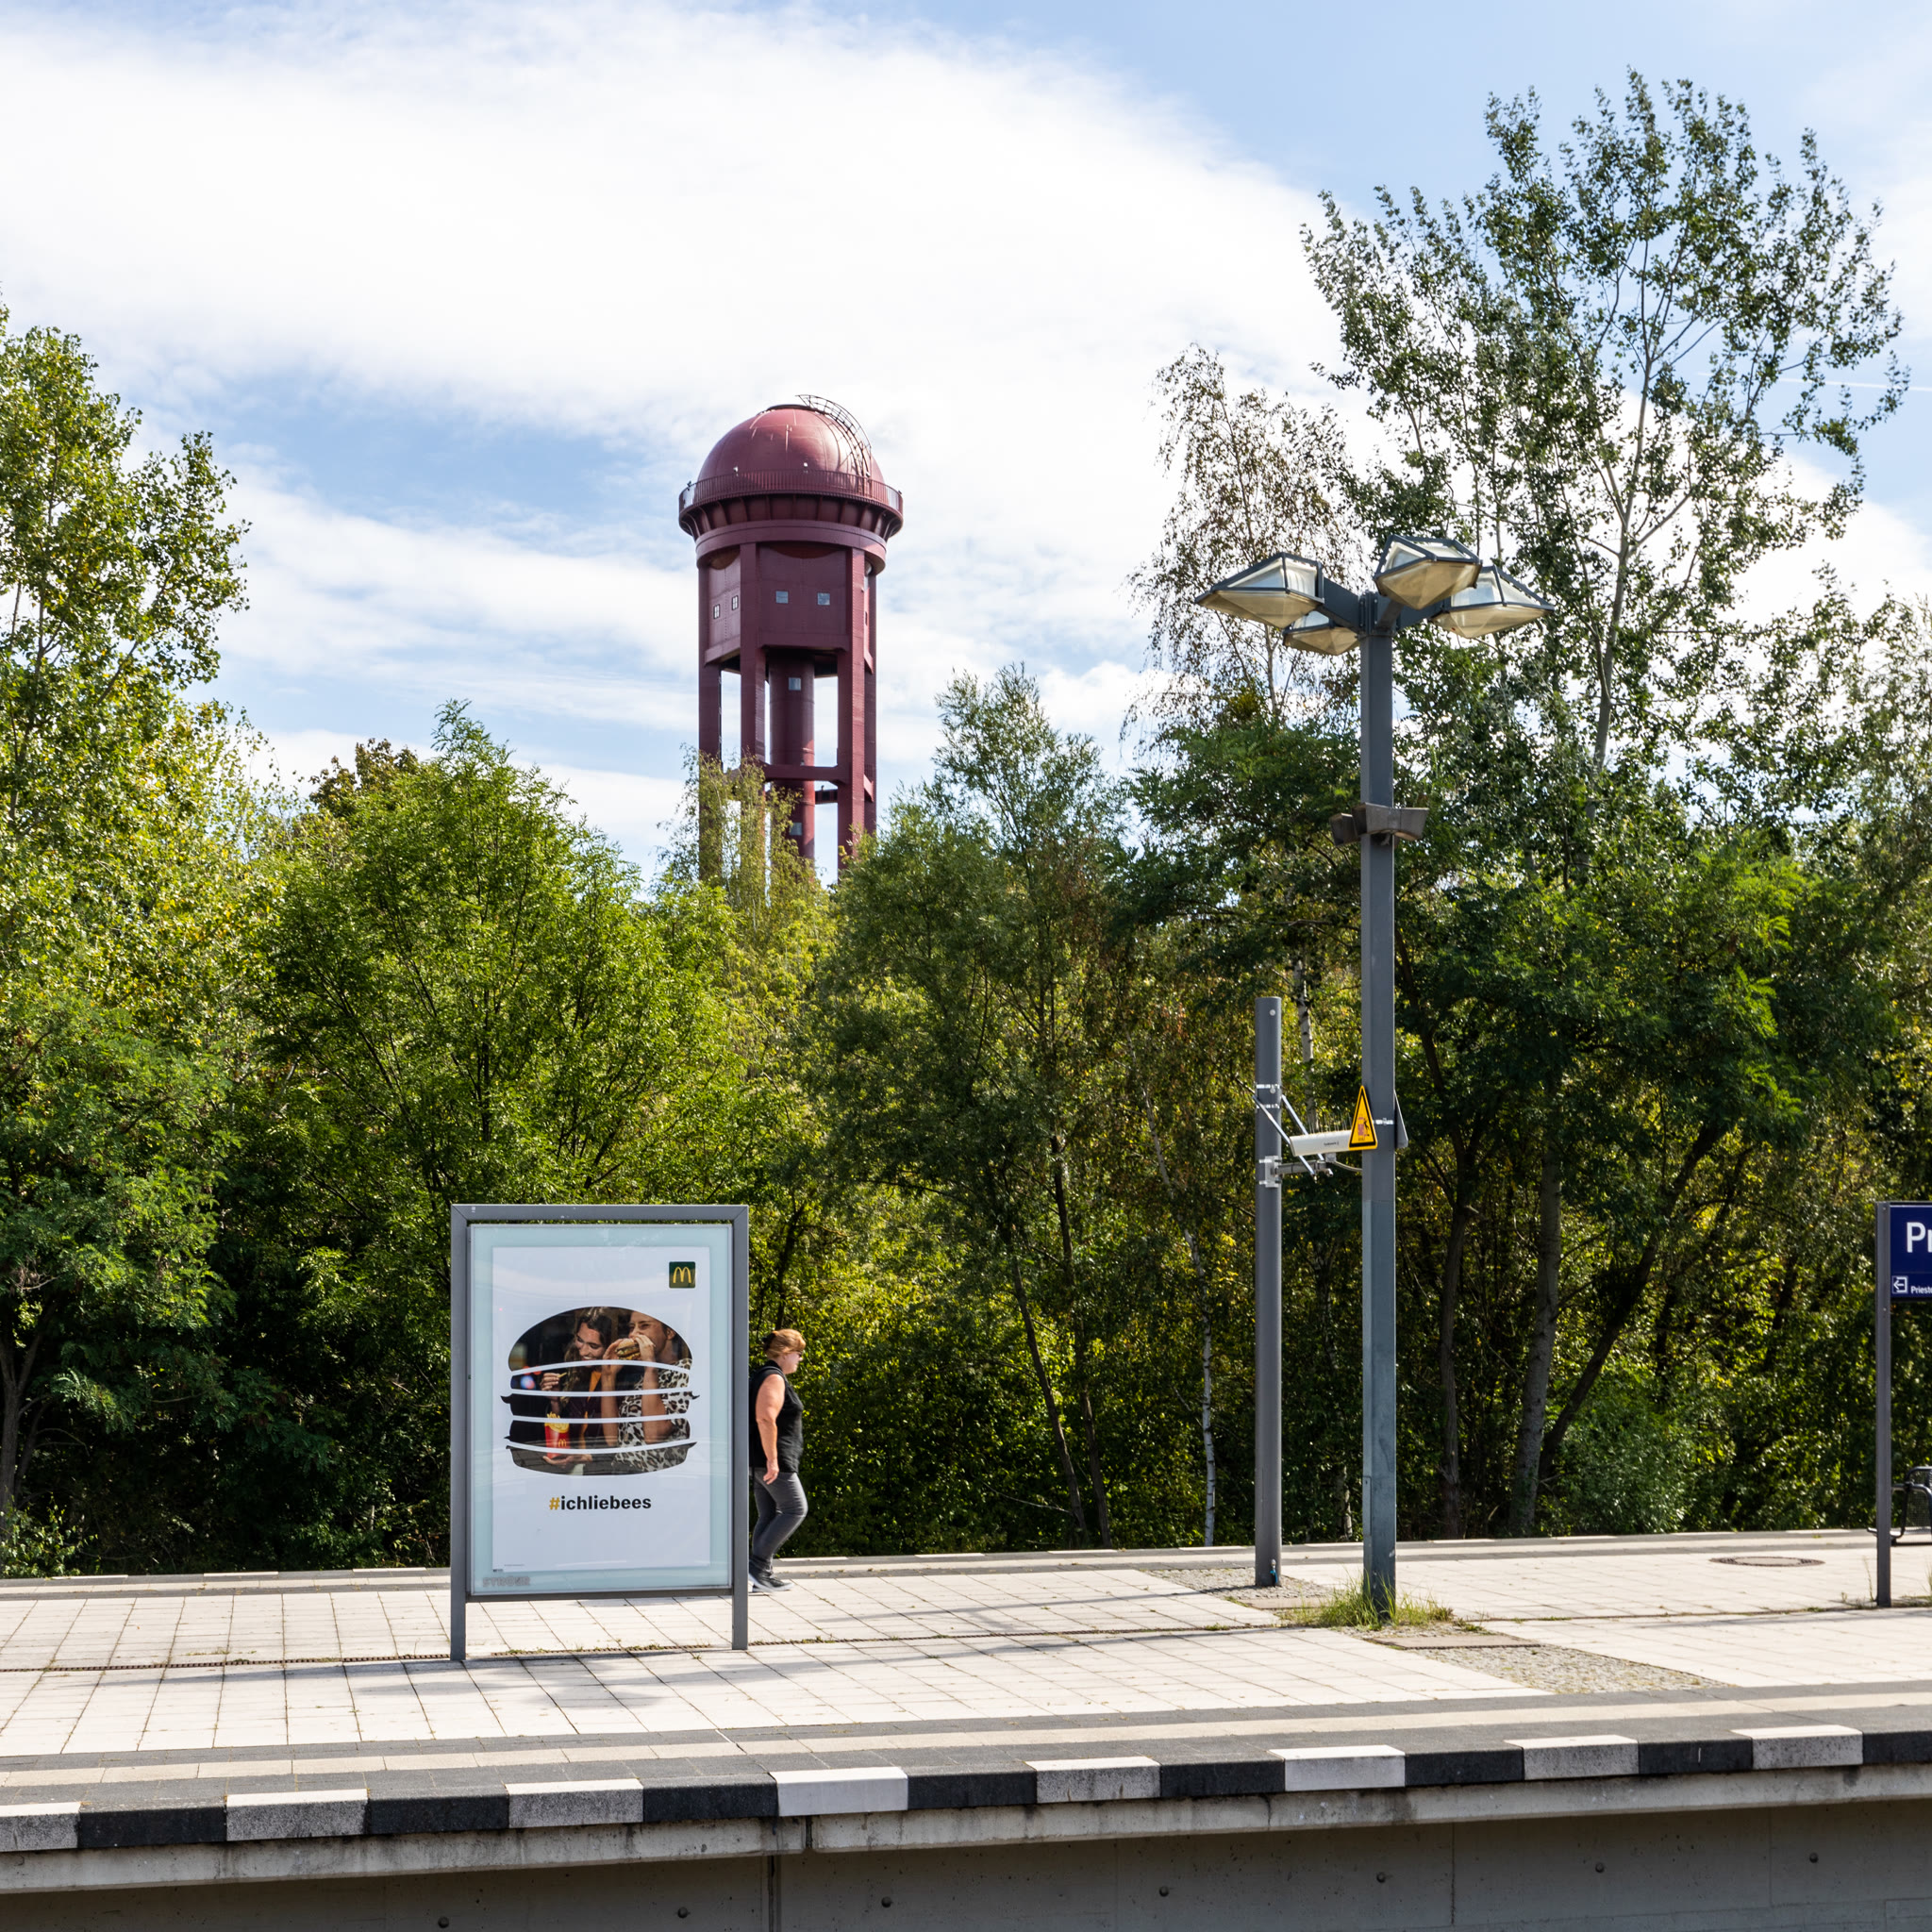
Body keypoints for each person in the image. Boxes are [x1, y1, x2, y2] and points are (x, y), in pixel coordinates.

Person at [749, 1328, 807, 1591]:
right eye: (799, 1353)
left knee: (770, 1513)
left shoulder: (765, 1374)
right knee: (795, 1508)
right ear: (785, 1353)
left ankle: (761, 1575)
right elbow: (765, 1418)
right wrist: (773, 1459)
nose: (800, 1359)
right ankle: (756, 1567)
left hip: (760, 1459)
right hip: (772, 1460)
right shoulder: (773, 1377)